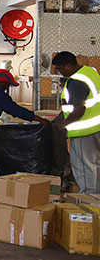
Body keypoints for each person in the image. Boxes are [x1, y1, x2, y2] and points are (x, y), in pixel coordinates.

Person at [51, 52, 100, 193]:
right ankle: (96, 198)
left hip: (84, 132)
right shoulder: (90, 72)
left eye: (60, 69)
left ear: (68, 65)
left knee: (84, 167)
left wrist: (63, 124)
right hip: (97, 128)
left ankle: (86, 199)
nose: (60, 73)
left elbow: (79, 109)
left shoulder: (76, 81)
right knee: (96, 164)